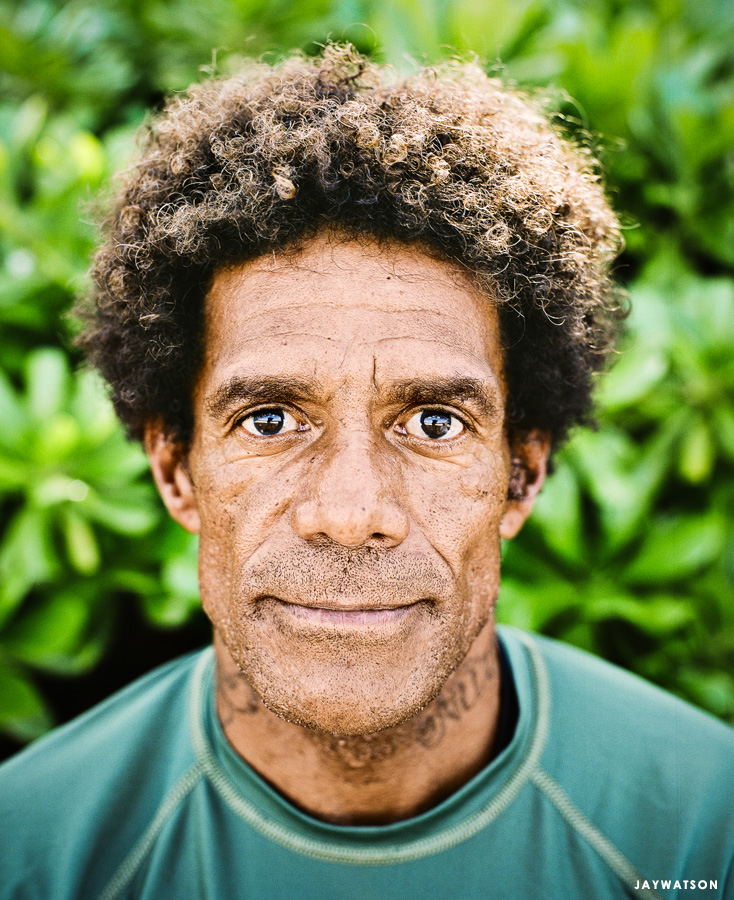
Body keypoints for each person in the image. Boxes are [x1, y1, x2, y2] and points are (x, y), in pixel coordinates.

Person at [1, 44, 732, 900]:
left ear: (520, 476)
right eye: (270, 420)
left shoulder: (700, 829)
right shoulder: (32, 855)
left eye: (433, 422)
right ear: (177, 471)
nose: (351, 512)